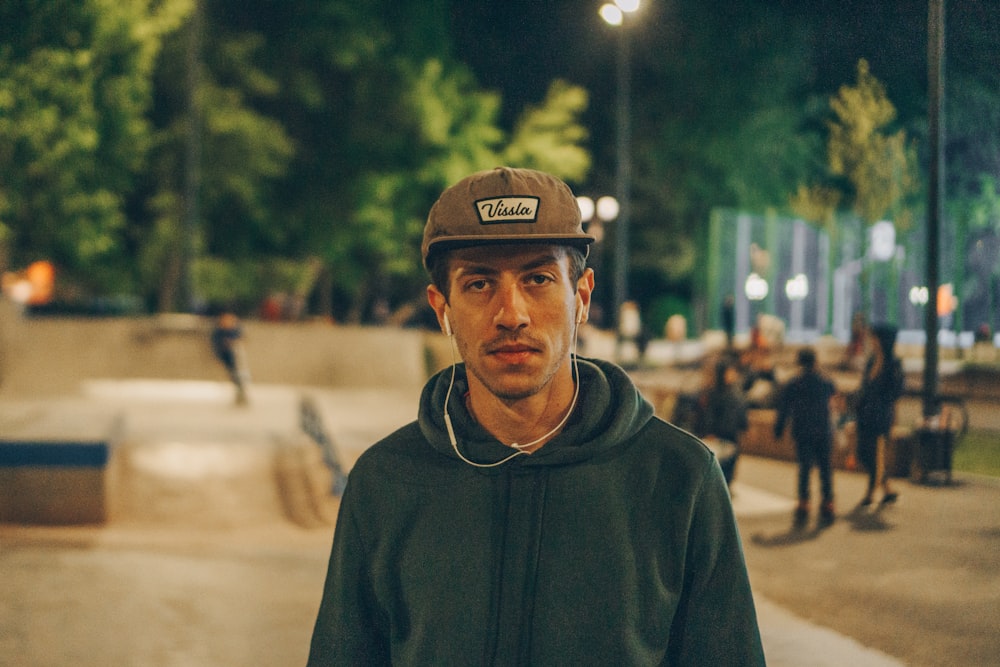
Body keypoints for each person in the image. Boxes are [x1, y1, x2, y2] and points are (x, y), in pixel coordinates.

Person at [307, 167, 764, 665]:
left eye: (539, 278)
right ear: (442, 309)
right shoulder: (386, 481)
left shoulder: (679, 478)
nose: (512, 313)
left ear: (581, 298)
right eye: (479, 283)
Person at [774, 347, 837, 527]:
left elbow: (784, 409)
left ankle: (804, 503)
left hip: (803, 432)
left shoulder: (794, 383)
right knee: (825, 468)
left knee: (804, 468)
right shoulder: (825, 381)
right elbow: (834, 398)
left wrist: (778, 429)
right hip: (823, 431)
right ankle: (828, 502)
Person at [855, 323, 904, 507]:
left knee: (876, 455)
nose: (872, 341)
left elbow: (897, 390)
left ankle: (870, 494)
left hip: (881, 416)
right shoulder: (871, 361)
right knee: (863, 453)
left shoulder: (893, 364)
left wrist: (884, 402)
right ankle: (887, 488)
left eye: (875, 338)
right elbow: (864, 387)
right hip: (865, 415)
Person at [693, 356, 749, 486]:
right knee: (719, 466)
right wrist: (709, 432)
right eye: (730, 371)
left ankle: (726, 489)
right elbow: (708, 414)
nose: (733, 374)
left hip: (732, 434)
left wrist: (744, 427)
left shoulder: (735, 392)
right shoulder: (714, 393)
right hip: (718, 435)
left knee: (731, 464)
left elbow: (741, 411)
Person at [210, 311, 248, 405]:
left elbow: (241, 338)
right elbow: (216, 344)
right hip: (226, 355)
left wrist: (232, 342)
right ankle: (239, 391)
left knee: (238, 373)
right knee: (233, 373)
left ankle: (241, 391)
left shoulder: (235, 329)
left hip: (235, 355)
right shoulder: (219, 331)